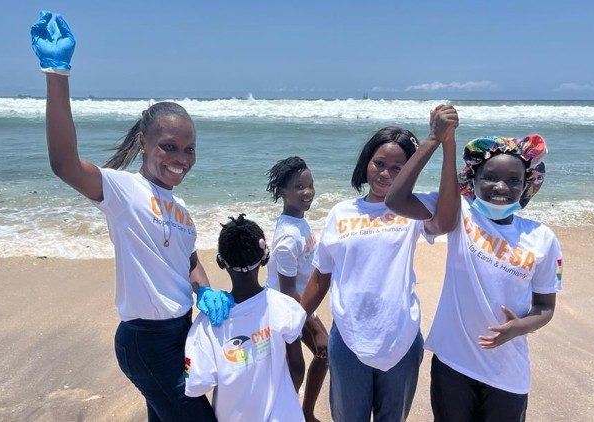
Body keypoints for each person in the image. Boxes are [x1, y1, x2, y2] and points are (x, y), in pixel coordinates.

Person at [30, 11, 234, 421]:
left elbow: (188, 260)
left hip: (180, 333)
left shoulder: (183, 213)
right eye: (169, 147)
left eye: (188, 150)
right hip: (145, 341)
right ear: (144, 143)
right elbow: (64, 164)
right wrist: (57, 74)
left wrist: (203, 291)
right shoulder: (123, 190)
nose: (180, 159)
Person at [386, 133, 562, 421]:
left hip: (508, 373)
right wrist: (439, 140)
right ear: (473, 179)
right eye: (490, 177)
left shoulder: (542, 238)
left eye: (513, 180)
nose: (501, 187)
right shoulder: (459, 211)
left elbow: (545, 307)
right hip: (454, 363)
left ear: (527, 185)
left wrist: (518, 328)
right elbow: (397, 200)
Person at [300, 105, 459, 421]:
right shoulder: (341, 213)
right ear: (366, 163)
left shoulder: (414, 207)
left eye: (398, 168)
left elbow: (446, 221)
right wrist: (291, 319)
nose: (386, 173)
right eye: (379, 164)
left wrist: (444, 142)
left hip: (399, 336)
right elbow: (321, 277)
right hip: (348, 336)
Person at [184, 214, 307, 422]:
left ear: (220, 261)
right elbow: (297, 365)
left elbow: (198, 384)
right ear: (265, 257)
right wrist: (285, 401)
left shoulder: (207, 324)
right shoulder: (285, 307)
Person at [265, 156, 328, 422]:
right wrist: (313, 326)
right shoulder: (289, 236)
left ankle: (302, 412)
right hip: (287, 309)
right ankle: (296, 413)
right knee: (300, 365)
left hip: (300, 306)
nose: (308, 192)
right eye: (299, 187)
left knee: (312, 359)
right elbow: (287, 290)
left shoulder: (297, 222)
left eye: (310, 185)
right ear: (283, 192)